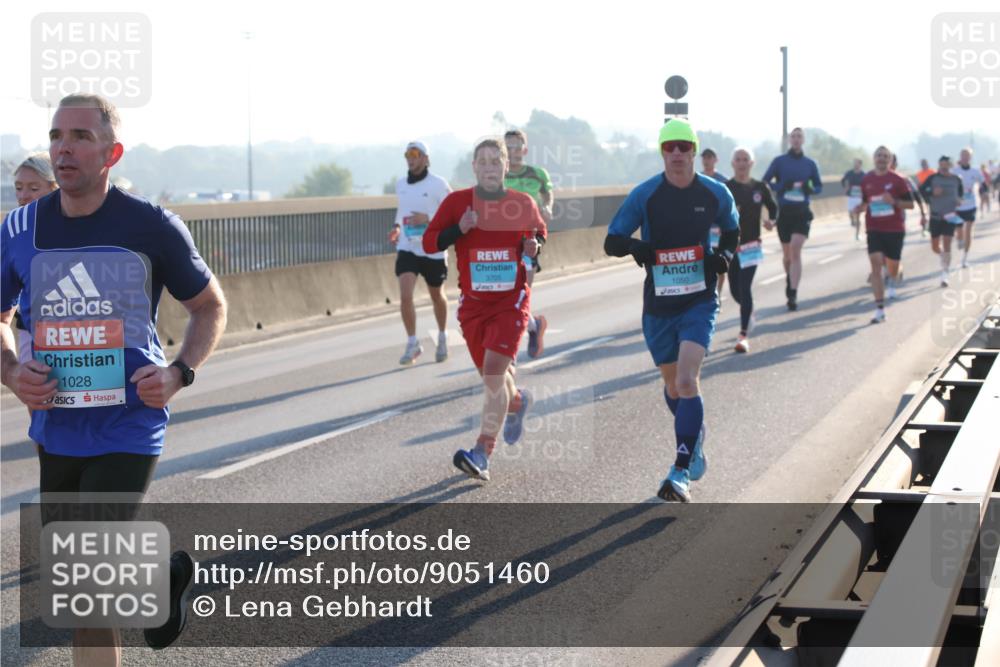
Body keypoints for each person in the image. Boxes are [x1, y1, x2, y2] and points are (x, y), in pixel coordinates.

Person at [0, 94, 228, 664]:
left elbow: (209, 306)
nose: (62, 147)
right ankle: (161, 582)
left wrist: (180, 372)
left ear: (111, 152)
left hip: (131, 420)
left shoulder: (150, 225)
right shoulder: (20, 227)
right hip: (56, 426)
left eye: (78, 136)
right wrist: (10, 372)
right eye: (55, 135)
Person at [604, 118, 739, 503]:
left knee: (686, 381)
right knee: (671, 386)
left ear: (694, 150)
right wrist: (635, 248)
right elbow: (611, 241)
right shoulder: (646, 194)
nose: (677, 153)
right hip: (659, 306)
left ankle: (679, 471)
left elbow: (732, 230)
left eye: (684, 146)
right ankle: (694, 437)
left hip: (699, 300)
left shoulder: (715, 193)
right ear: (662, 152)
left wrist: (724, 256)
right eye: (670, 147)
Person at [423, 138, 546, 482]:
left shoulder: (521, 202)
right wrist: (458, 229)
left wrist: (533, 247)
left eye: (497, 161)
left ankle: (482, 452)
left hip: (511, 302)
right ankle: (518, 402)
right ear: (474, 167)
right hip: (474, 307)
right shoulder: (457, 202)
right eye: (484, 161)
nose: (491, 167)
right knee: (496, 381)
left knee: (494, 372)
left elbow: (538, 235)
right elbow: (429, 241)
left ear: (507, 166)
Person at [388, 141, 452, 365]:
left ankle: (443, 336)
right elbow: (402, 211)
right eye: (407, 154)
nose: (410, 158)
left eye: (414, 154)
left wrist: (428, 218)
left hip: (432, 248)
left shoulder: (438, 184)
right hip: (408, 247)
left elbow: (450, 213)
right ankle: (413, 342)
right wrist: (397, 228)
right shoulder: (400, 185)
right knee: (405, 295)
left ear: (425, 158)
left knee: (437, 296)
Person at [762, 127, 823, 311]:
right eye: (793, 136)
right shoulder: (779, 162)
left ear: (803, 140)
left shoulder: (810, 163)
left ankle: (793, 293)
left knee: (796, 249)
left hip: (802, 212)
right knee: (787, 255)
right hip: (785, 213)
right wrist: (781, 186)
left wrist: (809, 189)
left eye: (799, 137)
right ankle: (790, 281)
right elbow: (764, 182)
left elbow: (819, 187)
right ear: (789, 140)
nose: (796, 140)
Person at [503, 129, 551, 358]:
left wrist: (547, 206)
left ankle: (507, 352)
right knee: (510, 296)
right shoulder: (497, 175)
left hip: (528, 240)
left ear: (525, 149)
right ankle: (533, 326)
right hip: (502, 242)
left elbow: (547, 194)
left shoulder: (537, 174)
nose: (513, 151)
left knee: (521, 293)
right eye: (508, 147)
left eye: (517, 146)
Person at [853, 146, 913, 324]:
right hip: (874, 228)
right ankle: (880, 309)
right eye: (878, 155)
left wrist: (893, 201)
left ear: (890, 160)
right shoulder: (867, 179)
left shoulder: (898, 180)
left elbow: (910, 205)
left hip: (894, 229)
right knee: (876, 265)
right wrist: (860, 208)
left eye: (885, 156)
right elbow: (865, 202)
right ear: (874, 158)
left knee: (892, 268)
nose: (881, 158)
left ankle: (894, 275)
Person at [726, 148, 777, 353]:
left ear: (751, 163)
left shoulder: (760, 187)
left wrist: (772, 221)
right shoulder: (726, 187)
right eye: (738, 159)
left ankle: (743, 335)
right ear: (733, 163)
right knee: (735, 290)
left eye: (745, 159)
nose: (741, 163)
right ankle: (750, 312)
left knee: (745, 288)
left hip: (751, 246)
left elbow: (774, 208)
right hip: (730, 247)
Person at [12, 154, 59, 367]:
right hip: (29, 331)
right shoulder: (13, 229)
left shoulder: (78, 229)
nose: (23, 196)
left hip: (76, 332)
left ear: (55, 187)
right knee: (37, 396)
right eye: (19, 188)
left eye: (33, 189)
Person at [919, 156, 964, 287]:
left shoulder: (956, 179)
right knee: (934, 247)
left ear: (950, 165)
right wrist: (932, 192)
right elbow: (921, 191)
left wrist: (959, 201)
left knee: (947, 243)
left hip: (950, 216)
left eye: (946, 165)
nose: (944, 167)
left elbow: (960, 195)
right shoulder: (933, 178)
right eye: (941, 165)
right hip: (935, 216)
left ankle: (945, 274)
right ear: (939, 165)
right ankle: (942, 256)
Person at [953, 148, 984, 268]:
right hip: (958, 206)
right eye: (963, 155)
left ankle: (965, 258)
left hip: (971, 205)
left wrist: (983, 191)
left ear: (970, 157)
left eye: (967, 155)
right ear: (960, 157)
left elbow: (983, 184)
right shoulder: (954, 171)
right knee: (959, 231)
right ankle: (959, 239)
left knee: (969, 231)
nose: (965, 157)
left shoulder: (975, 171)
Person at [842, 159, 866, 241]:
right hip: (851, 196)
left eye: (857, 163)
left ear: (860, 164)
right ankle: (852, 220)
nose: (855, 165)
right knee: (850, 212)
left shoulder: (863, 174)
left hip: (859, 197)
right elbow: (843, 181)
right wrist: (845, 188)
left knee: (858, 216)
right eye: (854, 163)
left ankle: (857, 234)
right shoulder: (849, 173)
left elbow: (867, 184)